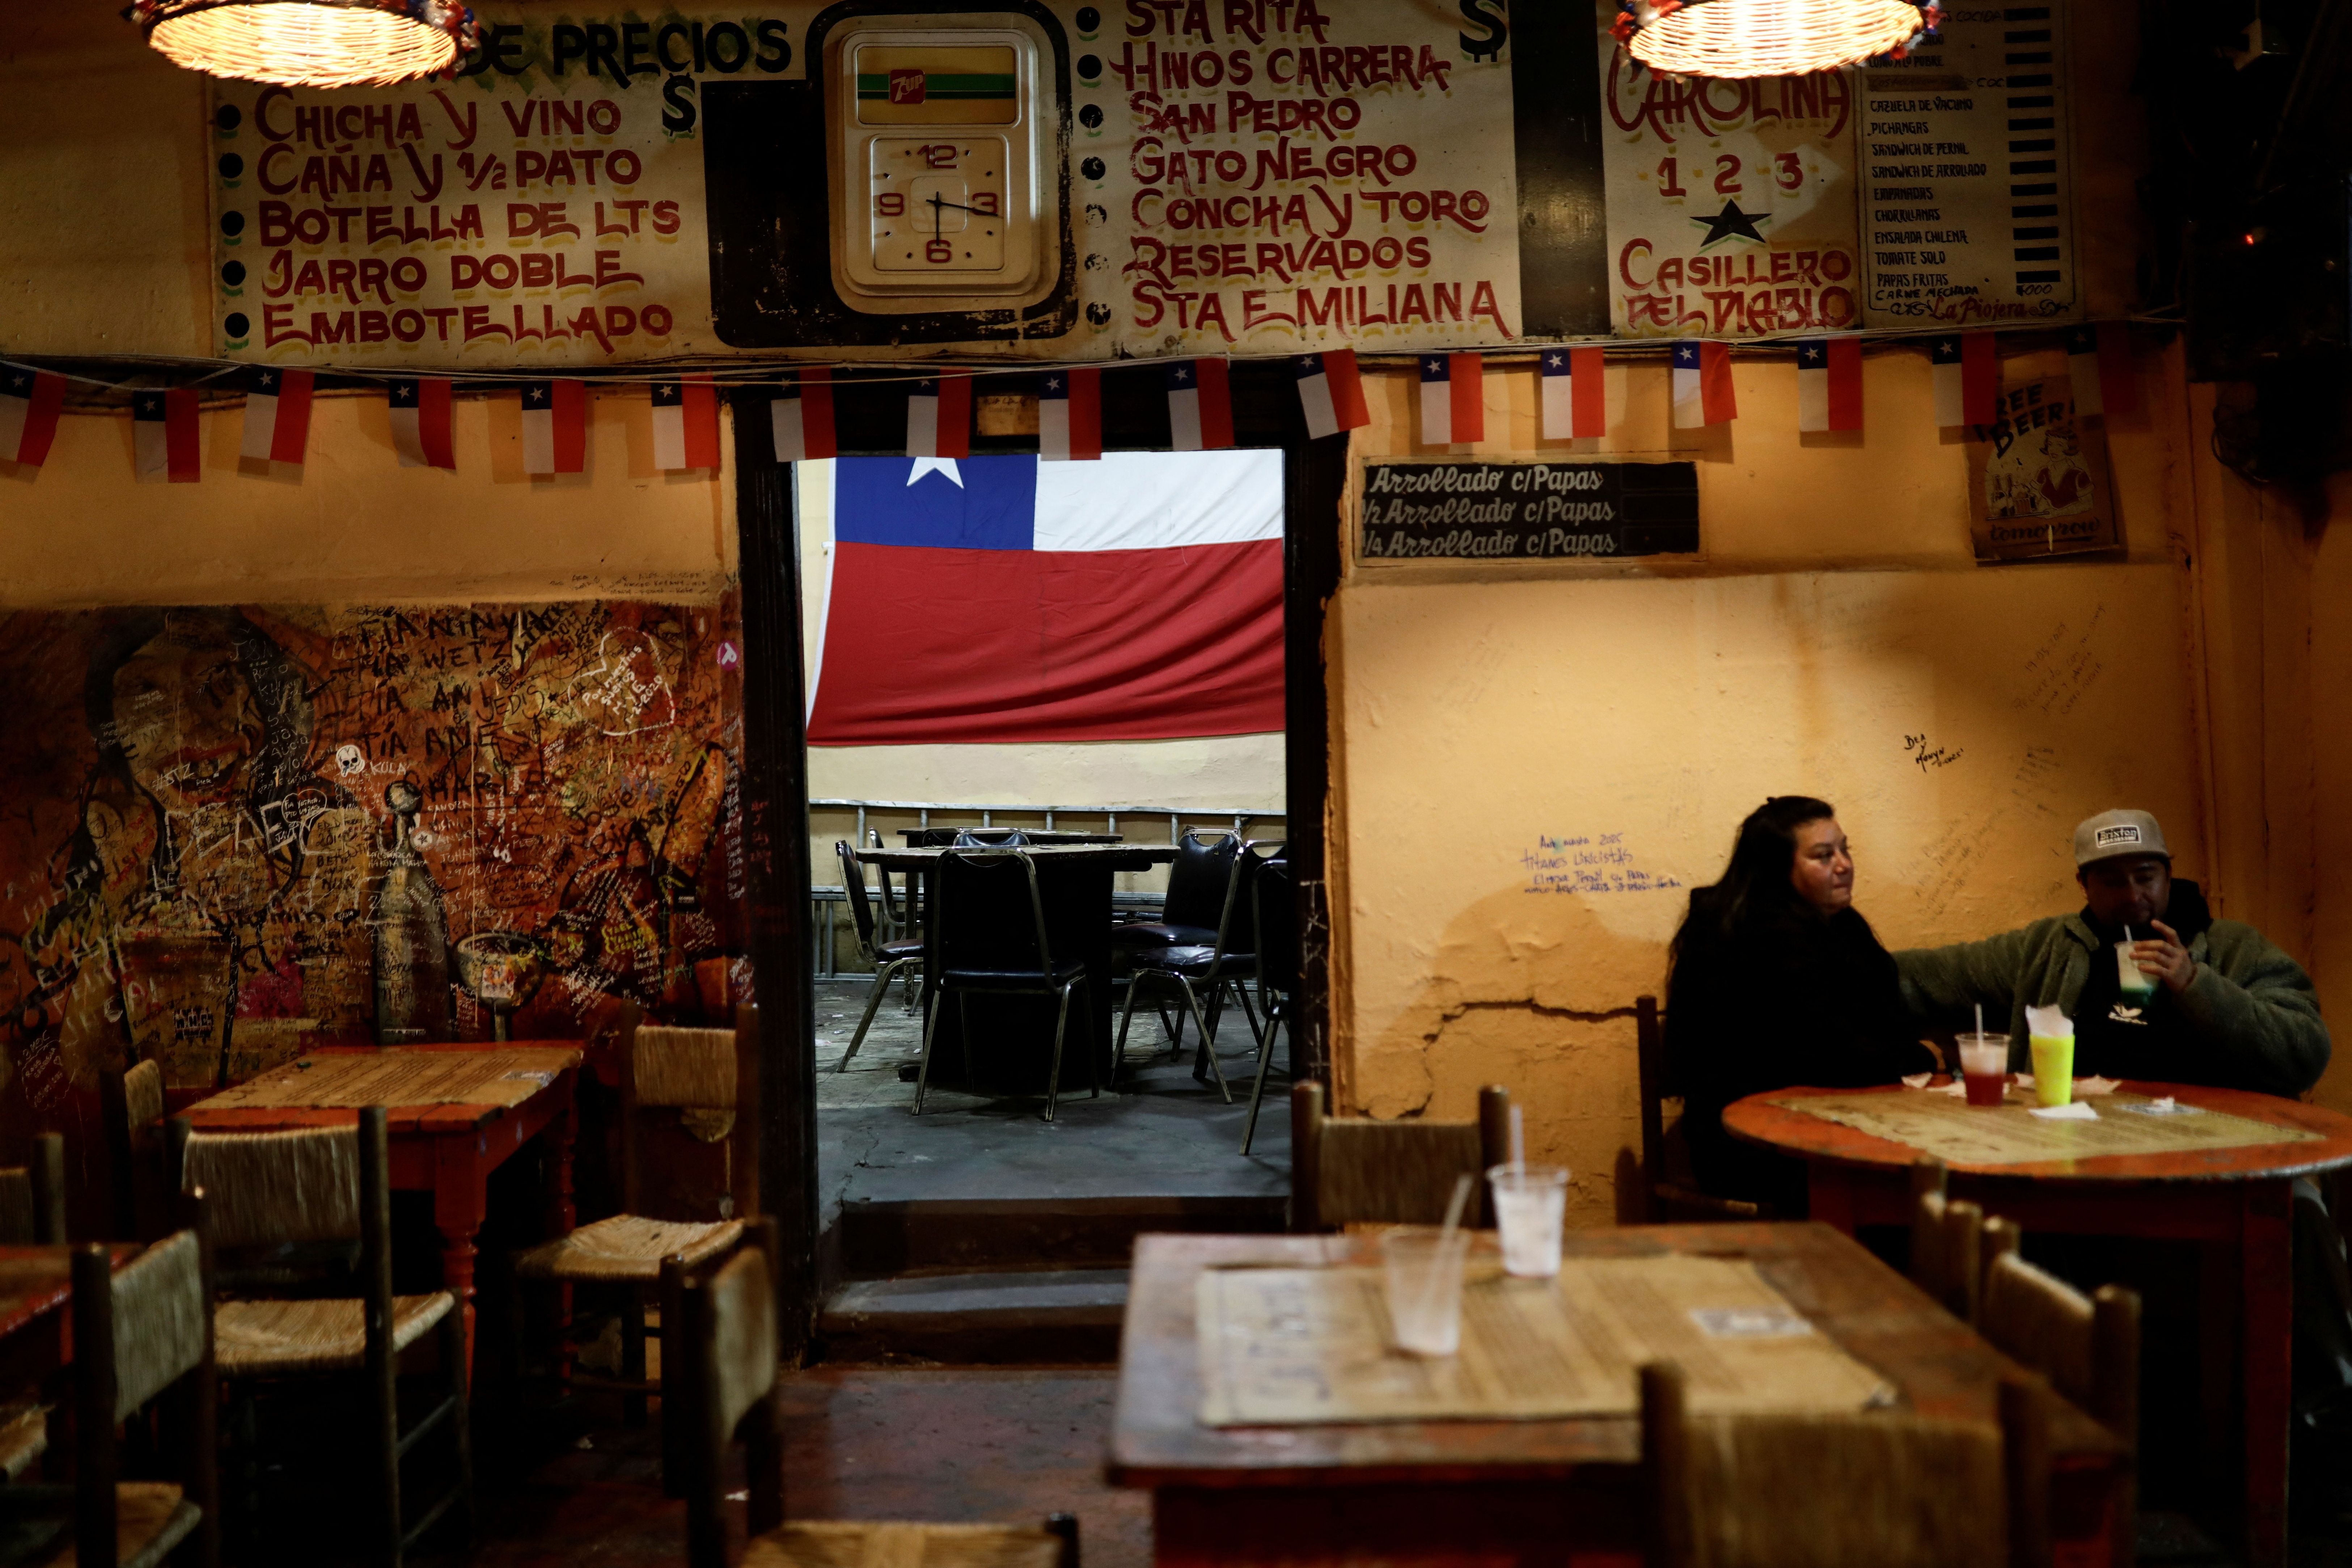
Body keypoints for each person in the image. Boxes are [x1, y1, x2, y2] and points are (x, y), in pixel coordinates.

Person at [1896, 808, 2328, 1095]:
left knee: (2301, 1204)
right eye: (2111, 882)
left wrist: (2196, 985)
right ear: (2083, 885)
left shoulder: (2233, 946)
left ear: (2168, 875)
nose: (2132, 895)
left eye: (2145, 877)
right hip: (2073, 1136)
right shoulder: (2048, 946)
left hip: (2211, 1141)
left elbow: (2305, 1051)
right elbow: (1932, 976)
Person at [1664, 796, 1937, 1212]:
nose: (1843, 865)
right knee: (1917, 1184)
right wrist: (1917, 1057)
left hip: (1832, 1120)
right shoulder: (1746, 937)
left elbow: (1883, 1018)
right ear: (1777, 868)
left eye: (1844, 849)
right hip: (1751, 1145)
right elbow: (1824, 1055)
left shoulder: (1837, 923)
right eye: (1823, 856)